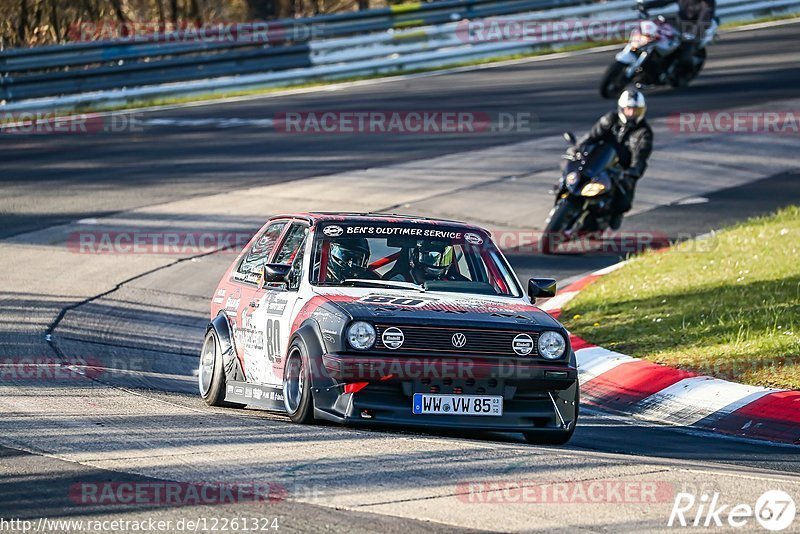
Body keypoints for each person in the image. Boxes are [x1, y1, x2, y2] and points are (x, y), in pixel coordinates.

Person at [574, 89, 653, 229]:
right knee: (573, 174)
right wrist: (578, 148)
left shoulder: (644, 132)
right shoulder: (610, 119)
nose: (631, 113)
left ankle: (606, 217)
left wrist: (632, 173)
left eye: (635, 110)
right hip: (598, 161)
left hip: (619, 170)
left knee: (623, 203)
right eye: (628, 109)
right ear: (621, 108)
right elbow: (592, 136)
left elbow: (641, 157)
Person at [641, 0, 717, 80]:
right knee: (657, 34)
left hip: (695, 29)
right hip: (679, 24)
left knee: (685, 54)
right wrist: (647, 6)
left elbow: (704, 17)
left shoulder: (707, 2)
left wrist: (694, 33)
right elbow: (664, 1)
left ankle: (681, 74)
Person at [385, 240, 466, 284]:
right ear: (415, 256)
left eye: (442, 258)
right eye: (429, 256)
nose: (435, 262)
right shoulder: (397, 282)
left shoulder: (456, 284)